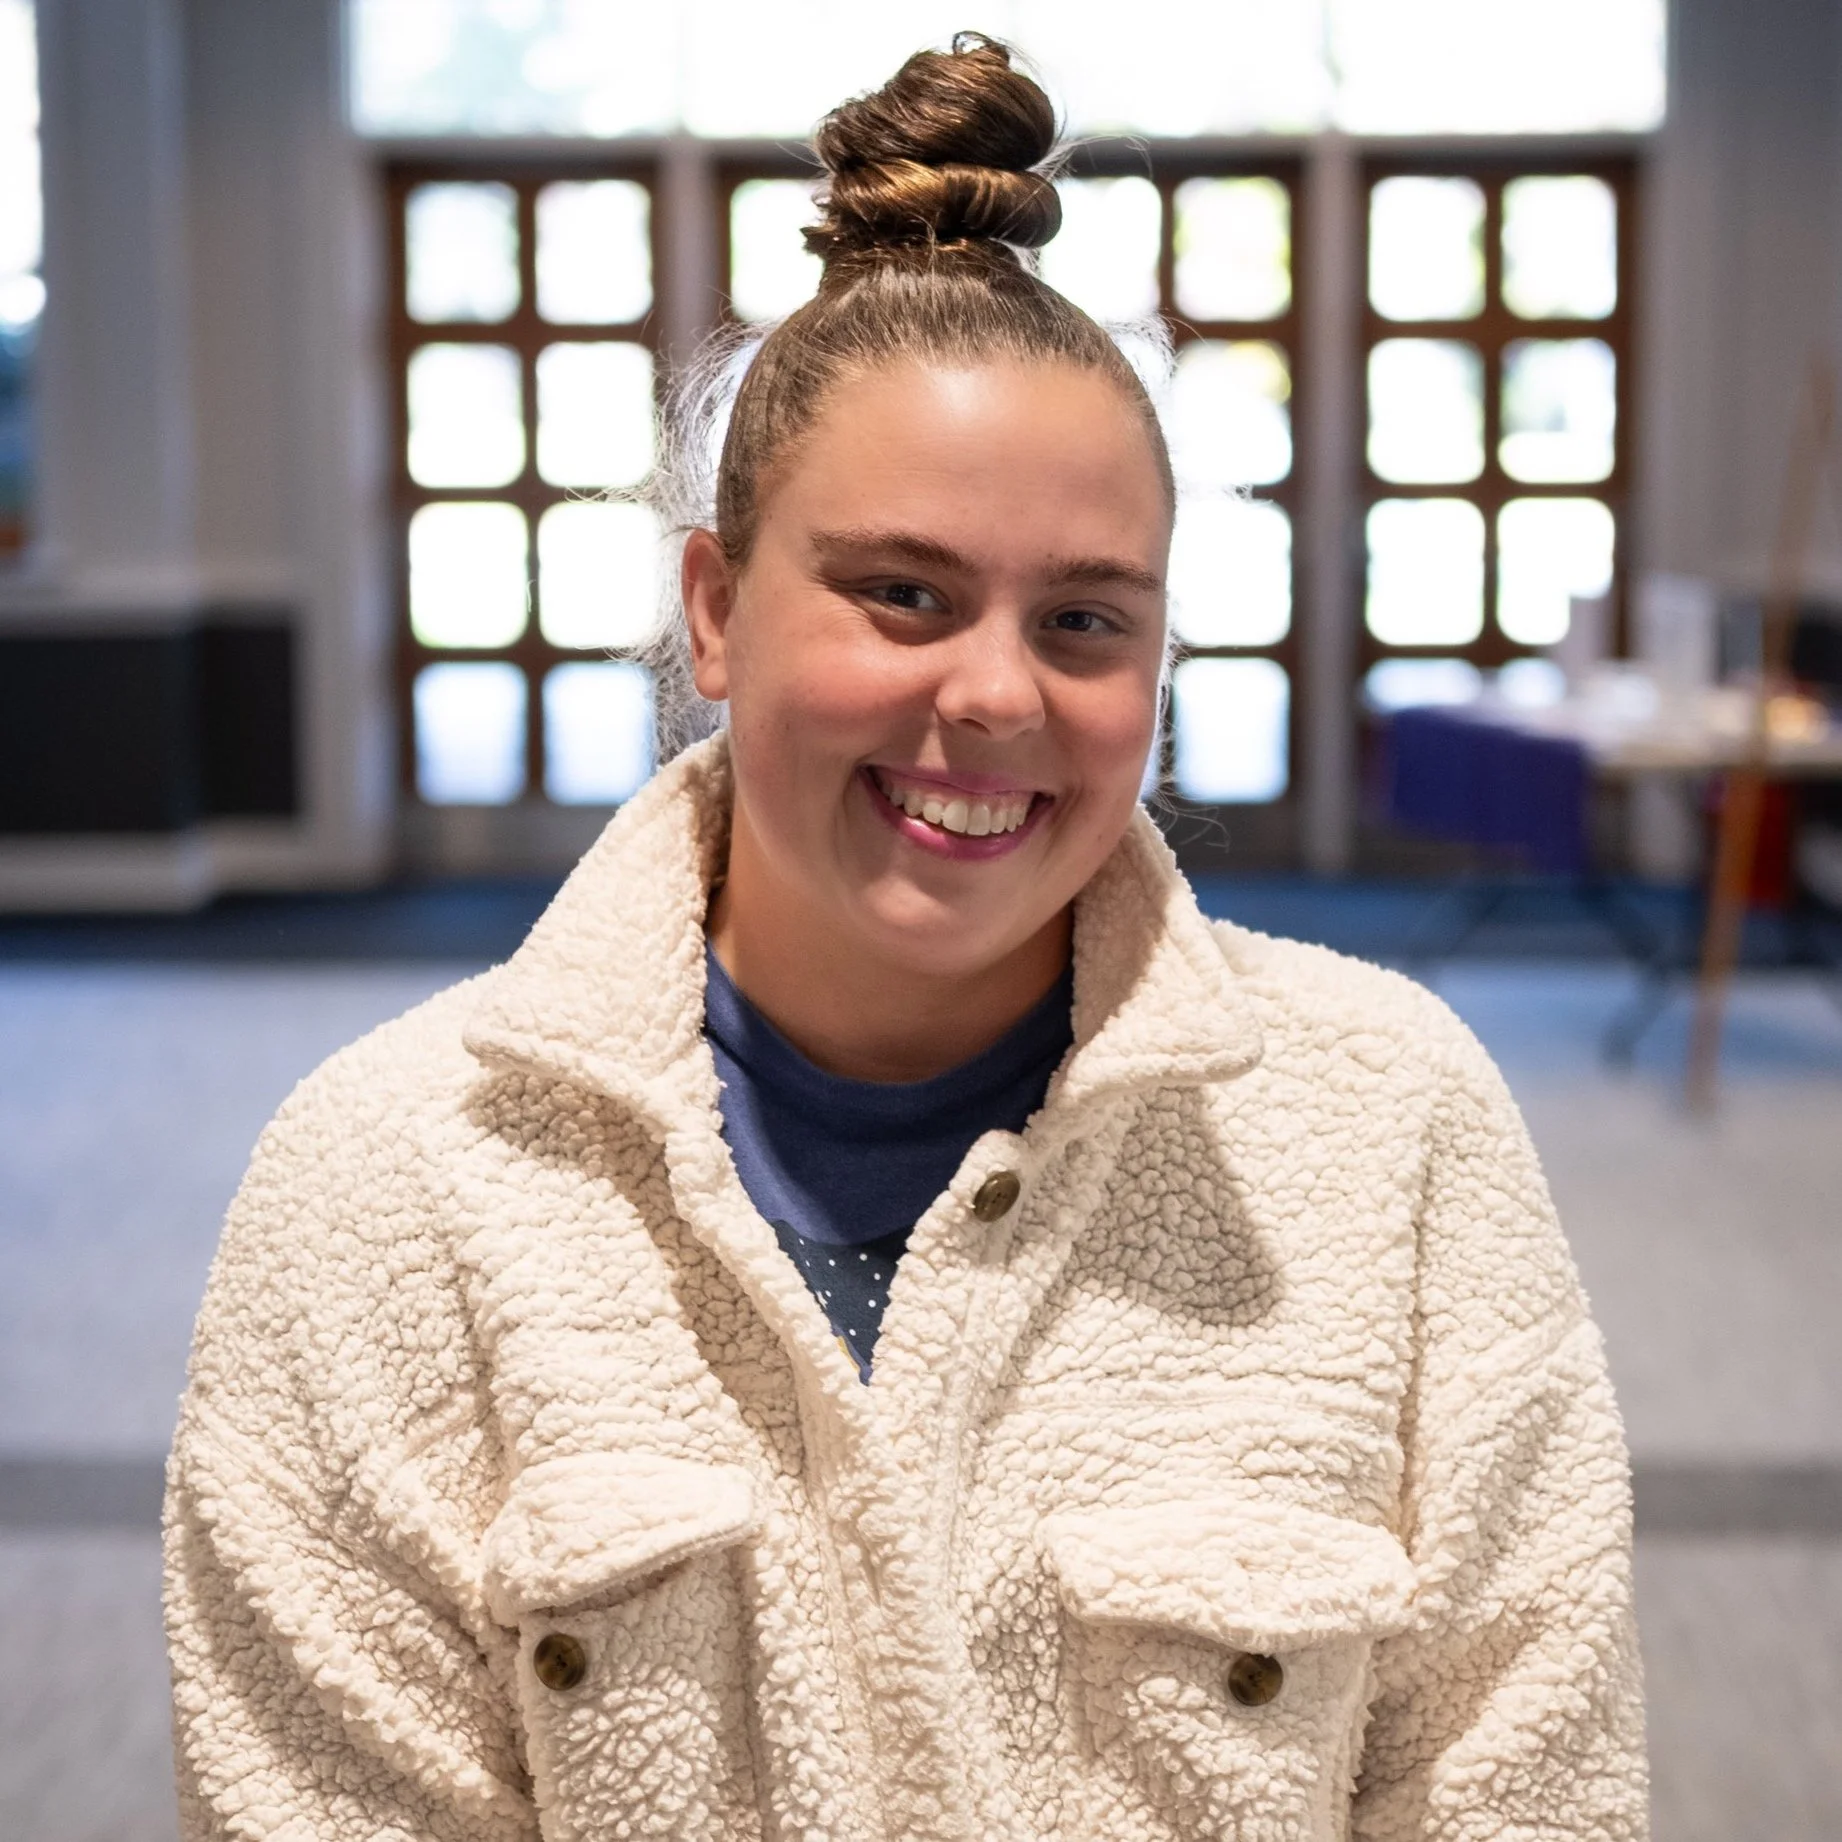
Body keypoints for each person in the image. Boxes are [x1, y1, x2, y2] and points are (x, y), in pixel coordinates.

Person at [163, 34, 1646, 1842]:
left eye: (1086, 619)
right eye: (902, 594)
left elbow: (1527, 1785)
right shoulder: (389, 1185)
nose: (997, 694)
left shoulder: (1390, 1131)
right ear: (713, 609)